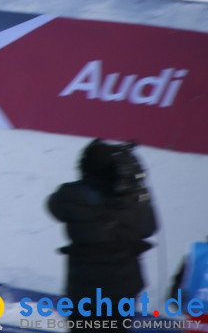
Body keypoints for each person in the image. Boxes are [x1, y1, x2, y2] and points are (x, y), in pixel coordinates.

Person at [47, 139, 158, 325]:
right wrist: (138, 186)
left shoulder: (71, 195)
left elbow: (54, 206)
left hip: (83, 290)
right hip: (123, 291)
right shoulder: (131, 199)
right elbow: (148, 227)